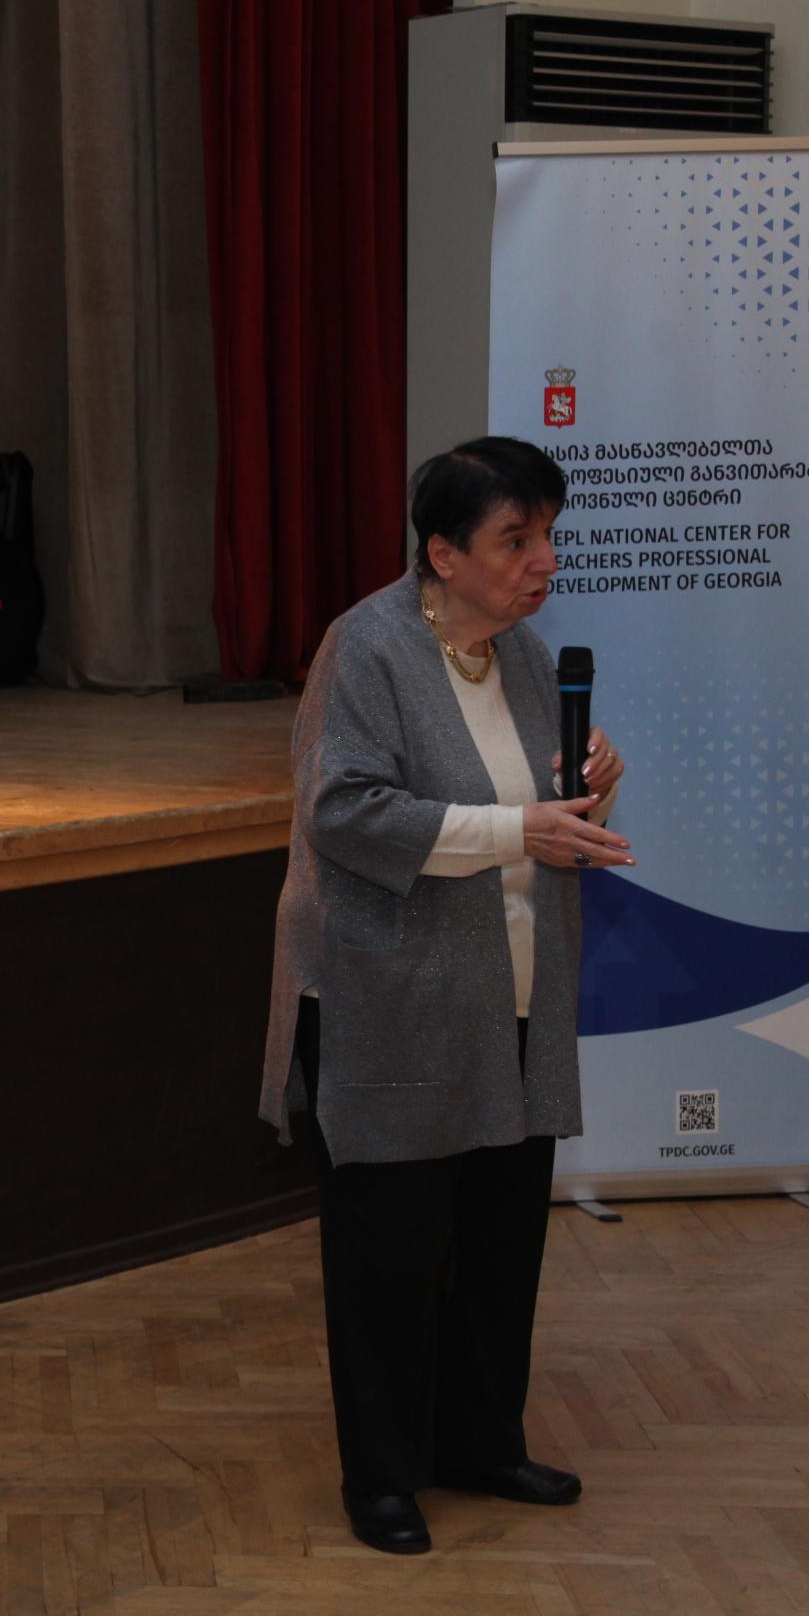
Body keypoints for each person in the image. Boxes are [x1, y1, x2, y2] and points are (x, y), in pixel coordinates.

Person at [260, 435, 630, 1556]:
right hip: (392, 1001)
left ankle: (482, 1442)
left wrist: (588, 796)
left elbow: (537, 816)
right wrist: (521, 827)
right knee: (391, 1251)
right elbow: (344, 811)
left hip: (511, 994)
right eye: (516, 540)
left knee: (501, 1239)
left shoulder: (525, 656)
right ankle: (383, 1475)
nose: (544, 561)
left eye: (549, 535)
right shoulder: (368, 647)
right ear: (443, 554)